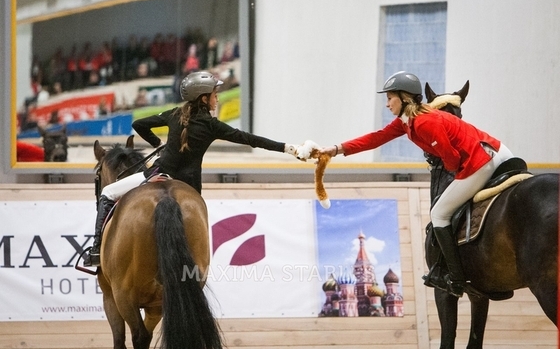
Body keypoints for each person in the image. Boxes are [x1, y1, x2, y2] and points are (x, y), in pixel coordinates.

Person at [318, 71, 513, 298]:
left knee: (439, 213)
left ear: (404, 98)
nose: (387, 103)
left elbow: (451, 159)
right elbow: (376, 138)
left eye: (390, 97)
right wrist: (336, 149)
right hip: (497, 150)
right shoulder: (407, 122)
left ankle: (458, 279)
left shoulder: (424, 123)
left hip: (482, 159)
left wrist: (454, 173)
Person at [83, 71, 303, 267]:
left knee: (107, 193)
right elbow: (250, 139)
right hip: (189, 186)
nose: (217, 97)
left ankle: (96, 249)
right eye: (215, 94)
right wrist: (286, 148)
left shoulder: (174, 114)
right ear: (204, 98)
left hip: (157, 174)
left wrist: (157, 144)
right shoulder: (213, 125)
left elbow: (139, 124)